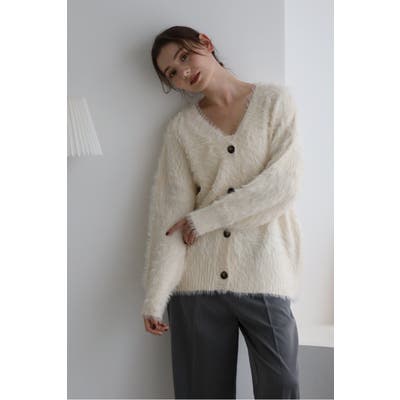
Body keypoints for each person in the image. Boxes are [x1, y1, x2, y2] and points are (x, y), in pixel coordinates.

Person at [141, 25, 304, 399]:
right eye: (172, 72)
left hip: (264, 273)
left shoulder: (274, 102)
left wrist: (205, 219)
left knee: (282, 385)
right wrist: (155, 297)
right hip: (196, 285)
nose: (184, 71)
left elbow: (283, 185)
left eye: (184, 56)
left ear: (206, 42)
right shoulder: (181, 129)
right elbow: (170, 216)